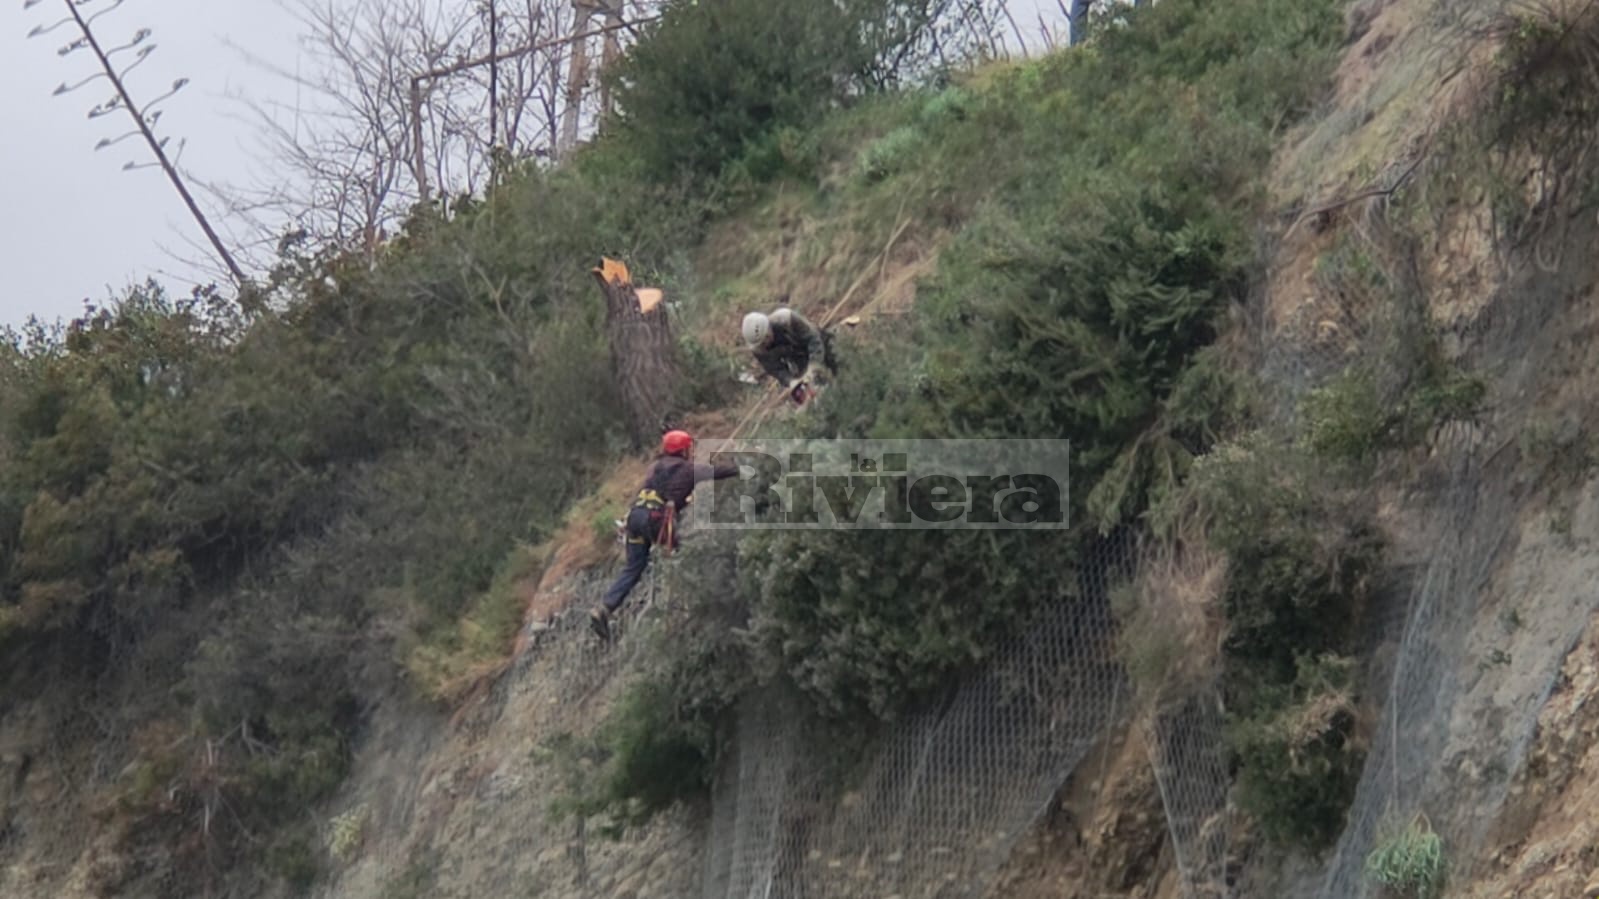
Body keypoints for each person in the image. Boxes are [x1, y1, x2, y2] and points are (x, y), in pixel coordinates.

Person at [591, 429, 740, 640]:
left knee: (634, 567)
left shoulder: (654, 468)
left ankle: (605, 608)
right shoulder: (688, 469)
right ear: (684, 450)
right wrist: (741, 469)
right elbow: (716, 472)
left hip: (635, 517)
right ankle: (691, 601)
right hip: (655, 519)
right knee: (686, 549)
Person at [741, 307, 839, 397]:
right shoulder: (758, 350)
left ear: (769, 328)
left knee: (840, 363)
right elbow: (776, 370)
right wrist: (791, 381)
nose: (765, 345)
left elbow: (813, 339)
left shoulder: (787, 319)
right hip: (798, 360)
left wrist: (813, 367)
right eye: (761, 344)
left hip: (820, 344)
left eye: (766, 339)